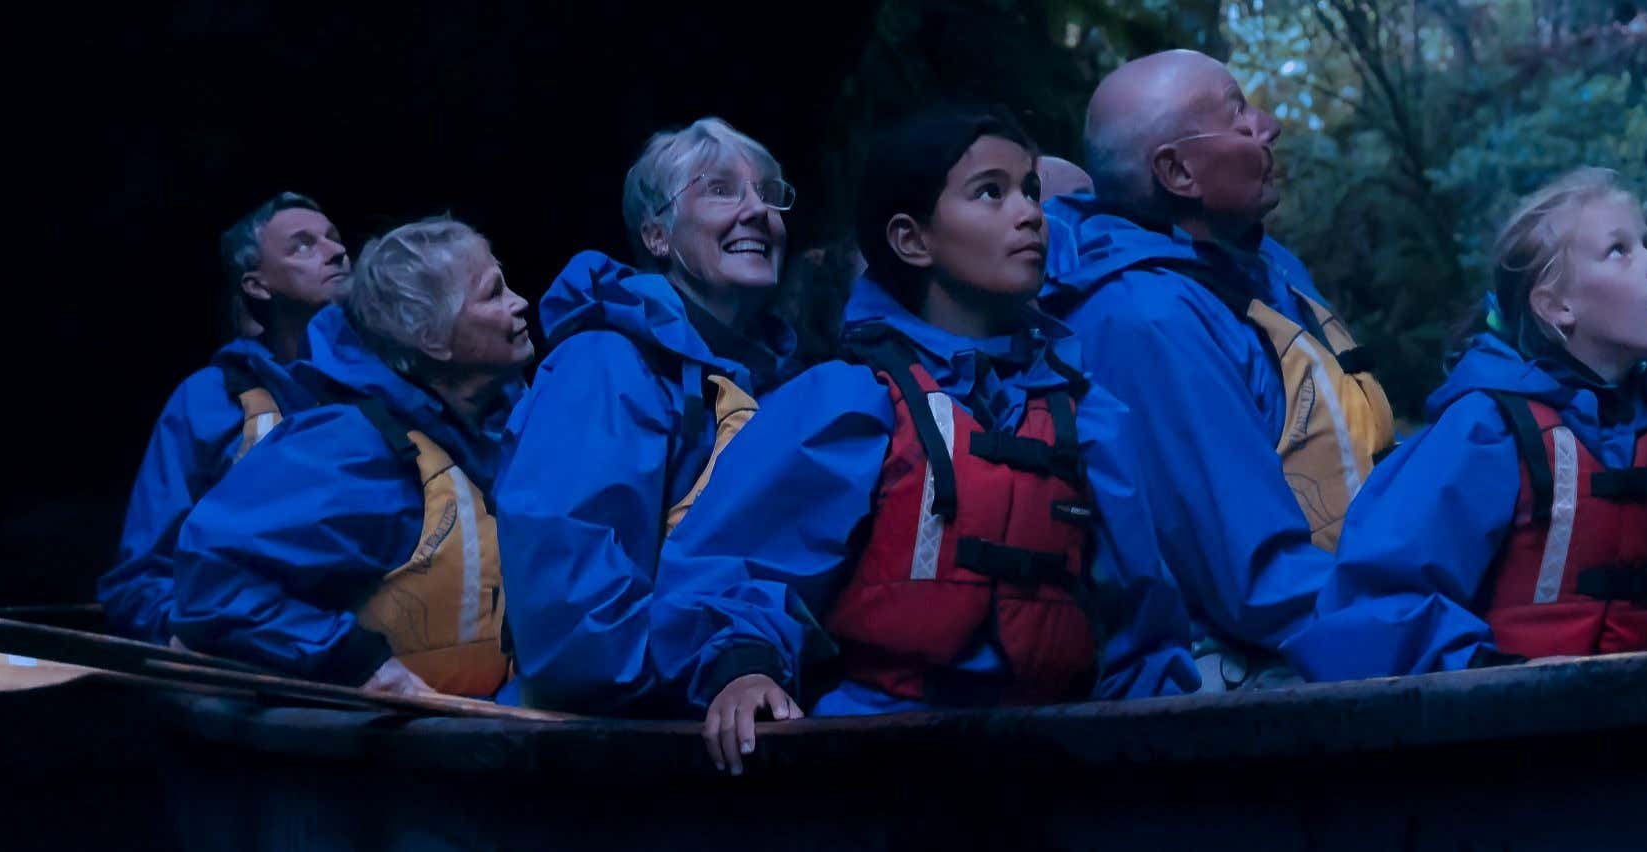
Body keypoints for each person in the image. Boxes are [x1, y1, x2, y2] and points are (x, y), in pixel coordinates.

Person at [665, 105, 1202, 774]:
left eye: (1031, 191)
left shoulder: (1090, 416)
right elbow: (736, 568)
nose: (1031, 213)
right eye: (991, 192)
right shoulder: (846, 401)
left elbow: (1141, 630)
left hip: (1056, 769)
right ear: (912, 240)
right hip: (868, 764)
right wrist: (743, 670)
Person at [1328, 167, 1647, 674]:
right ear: (1557, 305)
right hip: (1505, 726)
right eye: (1619, 250)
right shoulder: (1482, 435)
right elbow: (1384, 604)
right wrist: (1480, 678)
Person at [1042, 50, 1399, 689]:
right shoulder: (1146, 319)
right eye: (1239, 115)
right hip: (1260, 670)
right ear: (1177, 170)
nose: (1268, 126)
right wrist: (1425, 626)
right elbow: (1253, 581)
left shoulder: (1266, 269)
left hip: (1348, 619)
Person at [495, 118, 801, 715]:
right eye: (721, 189)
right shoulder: (604, 365)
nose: (759, 210)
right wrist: (729, 661)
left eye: (769, 192)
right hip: (606, 755)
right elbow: (572, 615)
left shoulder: (772, 386)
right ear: (658, 235)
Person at [167, 217, 535, 698]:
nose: (520, 303)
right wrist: (359, 664)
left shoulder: (504, 429)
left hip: (482, 738)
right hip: (365, 753)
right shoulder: (350, 449)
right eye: (493, 294)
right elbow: (213, 584)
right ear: (433, 340)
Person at [98, 192, 343, 645]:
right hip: (249, 665)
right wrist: (186, 637)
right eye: (304, 245)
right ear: (257, 285)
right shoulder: (208, 401)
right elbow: (142, 575)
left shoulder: (389, 390)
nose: (338, 252)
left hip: (379, 662)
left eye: (334, 238)